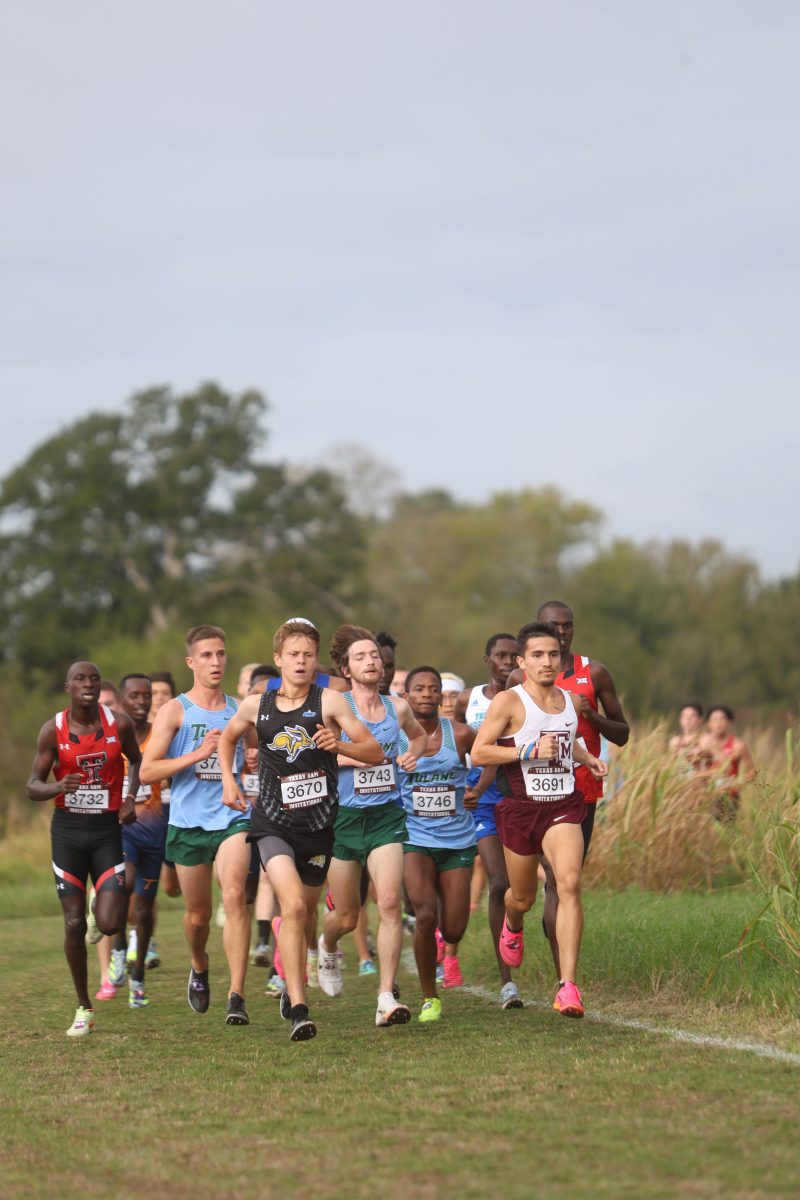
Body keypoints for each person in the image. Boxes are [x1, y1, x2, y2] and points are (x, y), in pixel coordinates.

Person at [218, 618, 383, 1042]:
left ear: (315, 662)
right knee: (290, 905)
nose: (301, 661)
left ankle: (291, 967)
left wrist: (339, 744)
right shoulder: (258, 704)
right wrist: (230, 779)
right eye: (293, 654)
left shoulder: (331, 701)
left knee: (305, 912)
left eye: (308, 655)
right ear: (278, 660)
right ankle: (298, 1006)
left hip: (318, 827)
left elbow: (374, 751)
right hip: (272, 822)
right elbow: (228, 738)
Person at [472, 622, 607, 1018]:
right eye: (537, 655)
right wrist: (527, 750)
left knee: (569, 882)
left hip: (563, 804)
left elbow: (568, 739)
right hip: (521, 809)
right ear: (521, 661)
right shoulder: (509, 702)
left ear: (561, 659)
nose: (546, 662)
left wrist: (587, 759)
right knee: (523, 896)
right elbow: (481, 753)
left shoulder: (568, 700)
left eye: (552, 655)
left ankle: (568, 986)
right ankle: (513, 922)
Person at [507, 602, 629, 977]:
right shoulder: (519, 678)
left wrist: (589, 715)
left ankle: (565, 979)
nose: (561, 631)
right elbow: (501, 738)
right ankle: (557, 964)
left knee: (565, 882)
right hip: (531, 795)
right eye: (552, 626)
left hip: (581, 793)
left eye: (567, 626)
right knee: (551, 884)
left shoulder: (594, 673)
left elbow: (622, 734)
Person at [141, 625, 253, 1026]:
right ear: (191, 662)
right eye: (207, 655)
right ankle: (199, 963)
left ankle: (236, 995)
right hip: (188, 824)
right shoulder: (176, 710)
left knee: (236, 895)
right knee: (199, 917)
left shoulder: (239, 708)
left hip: (232, 817)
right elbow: (147, 771)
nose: (216, 662)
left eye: (221, 654)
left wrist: (253, 760)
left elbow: (256, 748)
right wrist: (197, 754)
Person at [316, 625, 427, 1027]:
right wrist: (359, 758)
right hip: (343, 817)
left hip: (385, 815)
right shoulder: (334, 706)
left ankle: (385, 997)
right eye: (361, 657)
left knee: (391, 902)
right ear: (346, 667)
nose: (371, 663)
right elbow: (318, 756)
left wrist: (411, 756)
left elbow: (418, 739)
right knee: (346, 917)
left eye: (375, 657)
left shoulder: (397, 707)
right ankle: (328, 945)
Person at [26, 661, 141, 1037]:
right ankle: (83, 1007)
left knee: (108, 923)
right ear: (68, 687)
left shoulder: (119, 724)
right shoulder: (52, 730)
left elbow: (136, 762)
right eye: (80, 679)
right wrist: (58, 787)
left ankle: (99, 909)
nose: (88, 684)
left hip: (107, 832)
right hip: (69, 834)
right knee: (72, 923)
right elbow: (32, 786)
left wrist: (129, 799)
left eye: (93, 678)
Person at [398, 667, 478, 1023]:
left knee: (455, 927)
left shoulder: (460, 735)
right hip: (413, 838)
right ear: (407, 695)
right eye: (419, 689)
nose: (428, 694)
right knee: (425, 913)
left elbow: (491, 756)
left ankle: (442, 946)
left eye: (433, 689)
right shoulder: (396, 736)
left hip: (457, 838)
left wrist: (479, 788)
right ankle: (430, 996)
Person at [454, 633, 522, 1009]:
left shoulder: (527, 696)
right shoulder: (470, 698)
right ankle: (507, 982)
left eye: (514, 656)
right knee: (498, 883)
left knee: (520, 890)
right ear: (487, 660)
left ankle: (520, 926)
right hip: (481, 801)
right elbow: (456, 741)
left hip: (519, 796)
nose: (508, 662)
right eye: (501, 655)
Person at [698, 706, 756, 817]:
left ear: (729, 722)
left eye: (722, 719)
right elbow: (692, 770)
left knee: (727, 831)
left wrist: (737, 783)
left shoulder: (738, 745)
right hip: (705, 796)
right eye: (714, 720)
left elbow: (753, 772)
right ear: (708, 724)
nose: (718, 723)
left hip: (729, 796)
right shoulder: (701, 743)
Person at [669, 703, 707, 769]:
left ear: (700, 720)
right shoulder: (675, 741)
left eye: (692, 716)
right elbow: (670, 765)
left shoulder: (706, 740)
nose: (688, 719)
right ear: (680, 719)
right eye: (684, 716)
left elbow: (720, 764)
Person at [376, 631, 398, 697]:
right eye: (378, 666)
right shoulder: (347, 703)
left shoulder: (405, 703)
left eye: (389, 666)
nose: (384, 674)